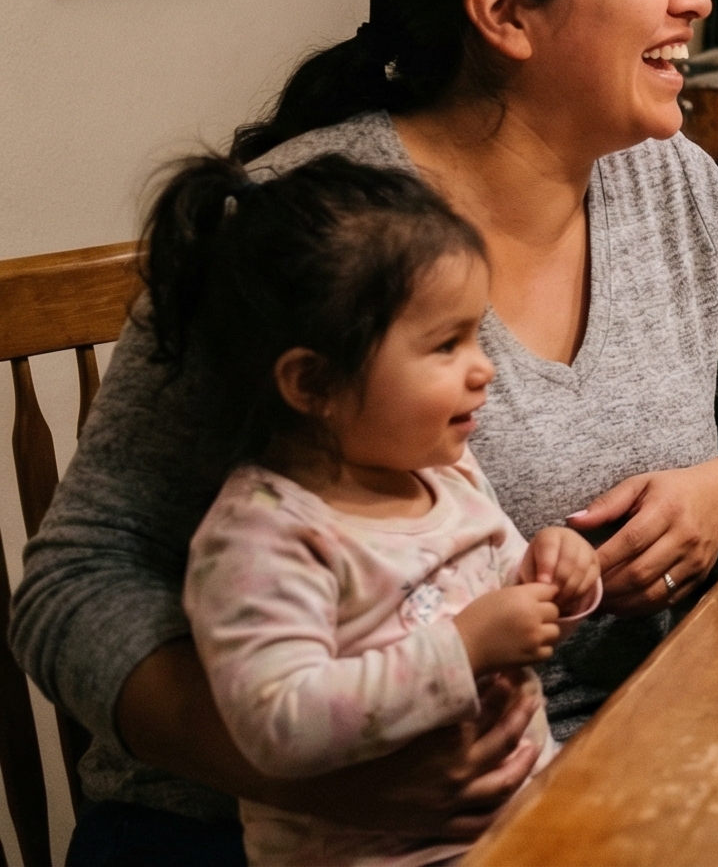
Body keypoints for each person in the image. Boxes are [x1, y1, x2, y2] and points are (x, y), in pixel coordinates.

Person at [16, 0, 718, 861]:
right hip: (263, 832)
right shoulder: (309, 230)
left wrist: (716, 496)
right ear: (503, 12)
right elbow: (77, 579)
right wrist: (302, 765)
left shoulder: (662, 181)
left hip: (588, 779)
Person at [155, 154, 601, 866]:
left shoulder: (446, 472)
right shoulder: (264, 537)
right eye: (446, 344)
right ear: (313, 382)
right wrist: (462, 650)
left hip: (528, 826)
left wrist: (555, 574)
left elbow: (506, 594)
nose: (484, 367)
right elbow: (278, 721)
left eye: (477, 336)